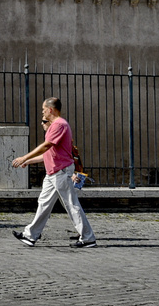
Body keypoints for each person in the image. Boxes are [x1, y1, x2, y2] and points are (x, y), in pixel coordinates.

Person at [11, 97, 97, 249]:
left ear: (50, 109)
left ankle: (88, 238)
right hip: (54, 172)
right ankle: (30, 235)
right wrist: (28, 161)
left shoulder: (59, 124)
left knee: (71, 205)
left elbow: (46, 146)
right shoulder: (57, 125)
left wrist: (25, 156)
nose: (43, 113)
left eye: (44, 110)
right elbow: (49, 154)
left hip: (61, 172)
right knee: (44, 204)